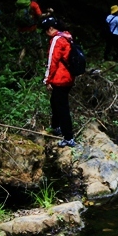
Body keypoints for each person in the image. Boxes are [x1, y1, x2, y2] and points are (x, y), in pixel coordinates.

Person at [42, 15, 76, 146]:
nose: (46, 34)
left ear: (50, 29)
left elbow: (52, 62)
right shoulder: (67, 36)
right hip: (68, 77)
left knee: (62, 107)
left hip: (60, 78)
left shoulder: (57, 40)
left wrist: (47, 80)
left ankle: (68, 137)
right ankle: (56, 127)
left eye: (46, 31)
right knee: (55, 101)